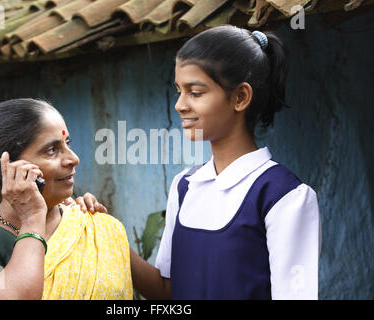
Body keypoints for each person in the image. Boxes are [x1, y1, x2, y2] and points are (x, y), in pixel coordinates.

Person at [120, 25, 321, 300]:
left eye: (196, 92)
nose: (179, 104)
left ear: (240, 97)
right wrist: (108, 235)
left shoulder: (284, 197)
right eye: (179, 90)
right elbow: (167, 293)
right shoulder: (184, 187)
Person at [0, 98, 133, 300]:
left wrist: (102, 233)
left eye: (67, 143)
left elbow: (163, 290)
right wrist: (32, 220)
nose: (73, 158)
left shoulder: (89, 224)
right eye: (52, 150)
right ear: (3, 170)